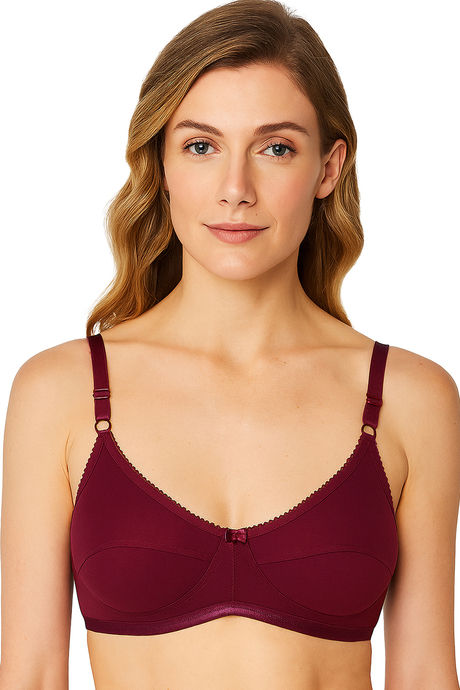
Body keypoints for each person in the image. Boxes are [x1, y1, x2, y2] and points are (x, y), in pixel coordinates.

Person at [1, 0, 459, 688]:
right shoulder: (61, 391)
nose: (236, 189)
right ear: (160, 165)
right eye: (201, 146)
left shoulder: (410, 398)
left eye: (276, 148)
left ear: (329, 168)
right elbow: (30, 674)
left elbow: (425, 673)